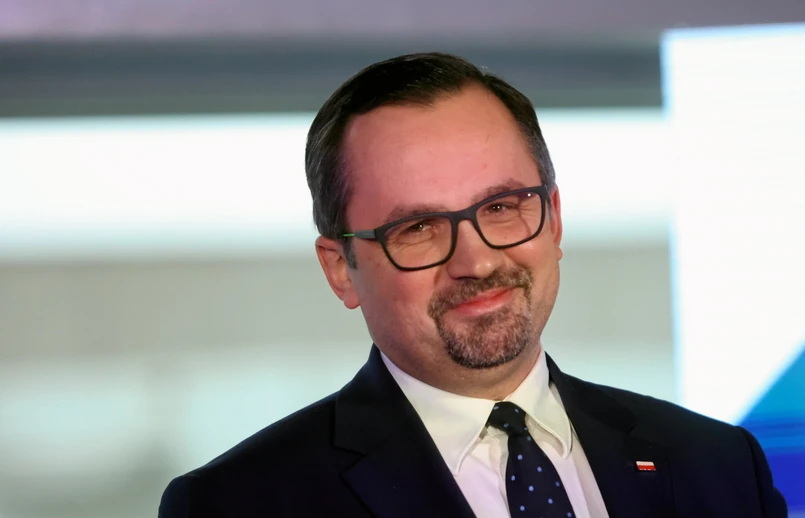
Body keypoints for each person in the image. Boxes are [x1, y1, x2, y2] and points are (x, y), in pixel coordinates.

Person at [158, 52, 787, 518]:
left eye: (502, 207)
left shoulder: (719, 465)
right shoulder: (238, 503)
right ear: (340, 269)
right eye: (418, 227)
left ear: (554, 219)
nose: (477, 261)